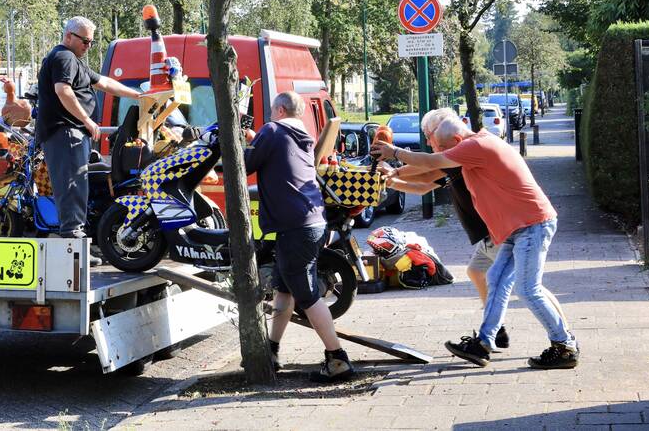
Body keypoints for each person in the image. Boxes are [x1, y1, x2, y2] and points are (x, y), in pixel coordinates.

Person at [371, 112, 579, 370]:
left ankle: (564, 345)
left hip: (531, 225)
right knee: (495, 280)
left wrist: (394, 152)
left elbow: (431, 162)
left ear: (457, 140)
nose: (441, 152)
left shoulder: (477, 146)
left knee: (528, 289)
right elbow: (429, 171)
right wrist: (395, 173)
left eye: (442, 147)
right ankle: (483, 344)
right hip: (514, 229)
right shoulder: (472, 147)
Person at [244, 91, 354, 383]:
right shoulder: (302, 134)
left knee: (308, 297)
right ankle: (272, 350)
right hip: (311, 222)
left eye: (272, 110)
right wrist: (256, 140)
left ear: (280, 110)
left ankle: (338, 359)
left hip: (296, 227)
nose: (270, 116)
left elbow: (245, 163)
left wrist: (246, 143)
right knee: (284, 291)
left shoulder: (273, 130)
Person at [36, 17, 140, 244]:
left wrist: (138, 95)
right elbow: (63, 90)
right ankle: (73, 244)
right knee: (72, 186)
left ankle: (75, 241)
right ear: (68, 36)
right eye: (85, 41)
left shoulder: (75, 61)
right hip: (65, 132)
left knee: (78, 185)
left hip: (72, 133)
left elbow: (104, 83)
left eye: (91, 42)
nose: (88, 46)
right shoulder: (64, 57)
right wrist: (86, 120)